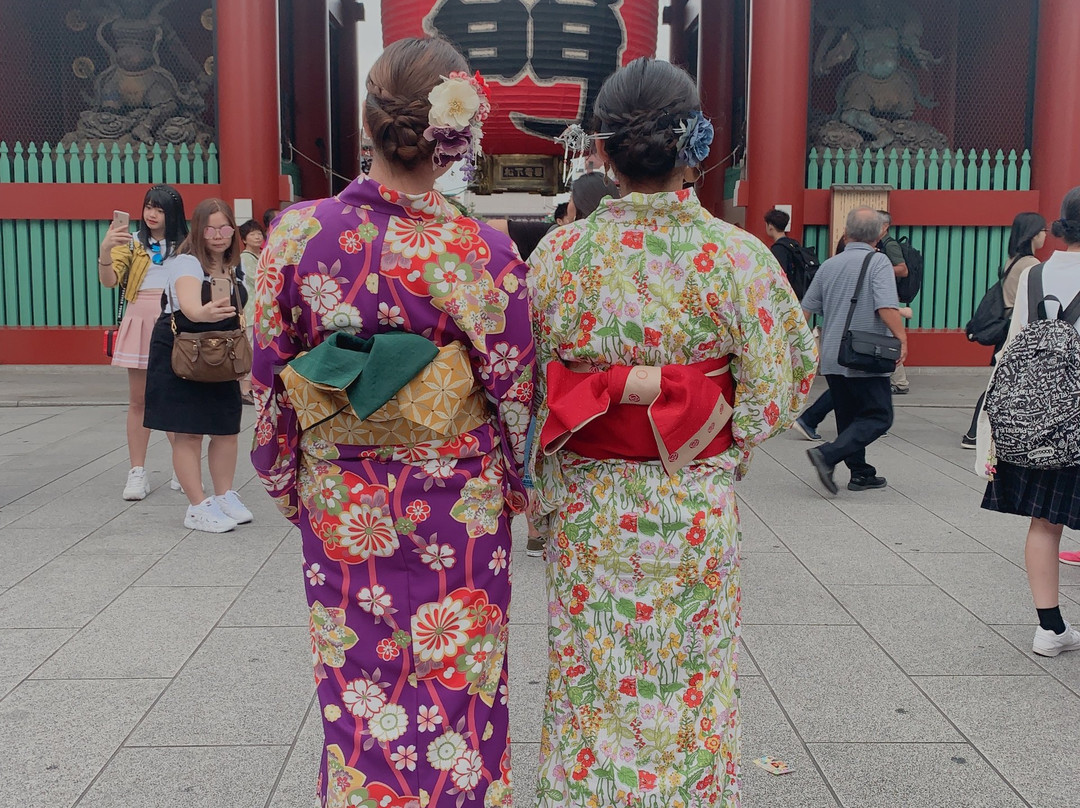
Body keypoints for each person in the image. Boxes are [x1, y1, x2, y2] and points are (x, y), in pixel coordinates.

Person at [251, 38, 534, 808]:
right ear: (456, 136)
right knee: (460, 677)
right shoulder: (486, 251)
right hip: (459, 499)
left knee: (361, 680)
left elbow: (268, 371)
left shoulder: (296, 235)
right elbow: (514, 391)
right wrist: (517, 483)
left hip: (346, 498)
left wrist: (286, 474)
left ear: (368, 124)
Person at [527, 58, 816, 807]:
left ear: (603, 152)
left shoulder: (561, 255)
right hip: (689, 500)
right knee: (687, 675)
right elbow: (784, 379)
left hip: (592, 503)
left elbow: (524, 378)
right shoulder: (736, 256)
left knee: (593, 670)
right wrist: (720, 439)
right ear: (693, 146)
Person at [978, 187, 1080, 652]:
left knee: (1044, 522)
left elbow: (1015, 347)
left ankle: (1050, 628)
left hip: (1044, 422)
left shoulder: (1037, 273)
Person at [143, 198, 253, 533]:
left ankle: (224, 495)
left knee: (226, 428)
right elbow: (190, 305)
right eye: (210, 229)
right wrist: (205, 313)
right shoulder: (186, 263)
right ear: (198, 229)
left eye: (224, 228)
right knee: (188, 432)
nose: (218, 236)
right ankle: (197, 505)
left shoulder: (235, 266)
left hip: (220, 352)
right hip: (184, 350)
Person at [803, 207, 907, 494]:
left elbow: (807, 308)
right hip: (865, 353)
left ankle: (860, 473)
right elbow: (885, 305)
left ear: (845, 233)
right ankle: (827, 454)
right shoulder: (879, 262)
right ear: (878, 234)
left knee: (848, 417)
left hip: (835, 354)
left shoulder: (829, 265)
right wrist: (902, 337)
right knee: (879, 416)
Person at [97, 184, 188, 500]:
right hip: (140, 319)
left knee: (176, 397)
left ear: (172, 213)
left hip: (176, 321)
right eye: (149, 206)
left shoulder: (187, 246)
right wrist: (106, 250)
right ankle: (137, 472)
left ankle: (183, 467)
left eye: (159, 208)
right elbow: (109, 281)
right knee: (139, 400)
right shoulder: (133, 243)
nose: (151, 214)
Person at [961, 212, 1046, 448]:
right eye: (1042, 231)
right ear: (1032, 234)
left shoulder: (1014, 260)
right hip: (1016, 332)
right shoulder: (1030, 264)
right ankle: (974, 434)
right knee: (999, 384)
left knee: (1004, 382)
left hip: (1008, 330)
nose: (1044, 236)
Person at [491, 171, 620, 261]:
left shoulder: (554, 239)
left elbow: (492, 228)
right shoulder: (623, 241)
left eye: (571, 199)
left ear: (580, 205)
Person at [877, 210, 912, 394]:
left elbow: (903, 270)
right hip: (885, 295)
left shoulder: (889, 245)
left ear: (885, 226)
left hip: (889, 296)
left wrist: (880, 269)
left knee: (890, 337)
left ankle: (900, 382)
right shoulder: (879, 244)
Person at [237, 219, 265, 404]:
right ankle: (245, 389)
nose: (257, 236)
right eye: (252, 233)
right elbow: (259, 279)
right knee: (251, 350)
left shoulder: (259, 255)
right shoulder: (245, 258)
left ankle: (251, 386)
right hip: (250, 311)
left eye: (259, 233)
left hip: (260, 311)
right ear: (244, 239)